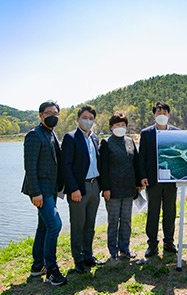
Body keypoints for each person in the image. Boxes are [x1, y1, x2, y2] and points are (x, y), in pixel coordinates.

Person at [21, 100, 67, 286]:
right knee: (55, 225)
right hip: (41, 191)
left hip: (52, 189)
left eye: (55, 113)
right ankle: (51, 270)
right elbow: (30, 167)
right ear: (41, 115)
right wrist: (35, 193)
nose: (53, 116)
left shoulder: (52, 134)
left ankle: (37, 265)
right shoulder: (34, 135)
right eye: (49, 113)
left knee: (44, 226)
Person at [61, 105, 105, 274]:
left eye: (91, 118)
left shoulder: (94, 138)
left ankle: (88, 255)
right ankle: (78, 259)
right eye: (85, 117)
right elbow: (66, 166)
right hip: (79, 188)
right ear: (78, 119)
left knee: (90, 224)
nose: (88, 121)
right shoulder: (70, 138)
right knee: (78, 225)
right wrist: (73, 189)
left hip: (95, 186)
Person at [138, 102, 180, 257]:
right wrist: (142, 176)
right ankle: (152, 244)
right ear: (154, 115)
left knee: (170, 211)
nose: (161, 114)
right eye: (158, 112)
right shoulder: (146, 133)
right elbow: (141, 157)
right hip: (152, 180)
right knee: (153, 212)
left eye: (164, 112)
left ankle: (169, 242)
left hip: (171, 180)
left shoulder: (176, 132)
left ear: (169, 115)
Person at [99, 111, 141, 261]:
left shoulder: (130, 142)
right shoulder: (106, 143)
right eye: (117, 125)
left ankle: (125, 248)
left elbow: (136, 163)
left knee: (126, 221)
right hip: (113, 189)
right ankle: (113, 250)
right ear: (111, 127)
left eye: (123, 125)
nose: (120, 127)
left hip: (129, 188)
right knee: (113, 221)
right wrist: (106, 188)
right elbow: (103, 168)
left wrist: (138, 184)